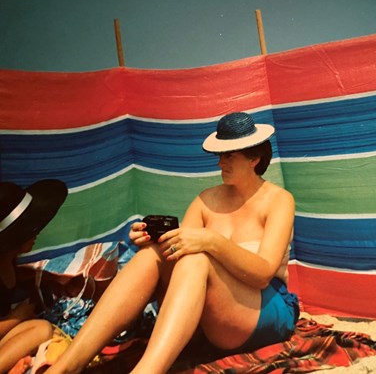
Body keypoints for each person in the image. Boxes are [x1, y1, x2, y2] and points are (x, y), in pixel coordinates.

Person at [46, 112, 299, 374]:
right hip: (215, 313)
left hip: (265, 305)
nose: (221, 163)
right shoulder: (206, 200)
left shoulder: (278, 200)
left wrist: (211, 241)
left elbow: (262, 274)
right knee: (151, 255)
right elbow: (178, 255)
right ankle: (67, 366)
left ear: (254, 158)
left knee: (198, 259)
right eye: (220, 156)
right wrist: (150, 239)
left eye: (229, 155)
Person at [0, 179, 68, 373]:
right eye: (30, 229)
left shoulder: (9, 260)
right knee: (42, 329)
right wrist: (16, 317)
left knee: (42, 329)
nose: (36, 233)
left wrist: (49, 279)